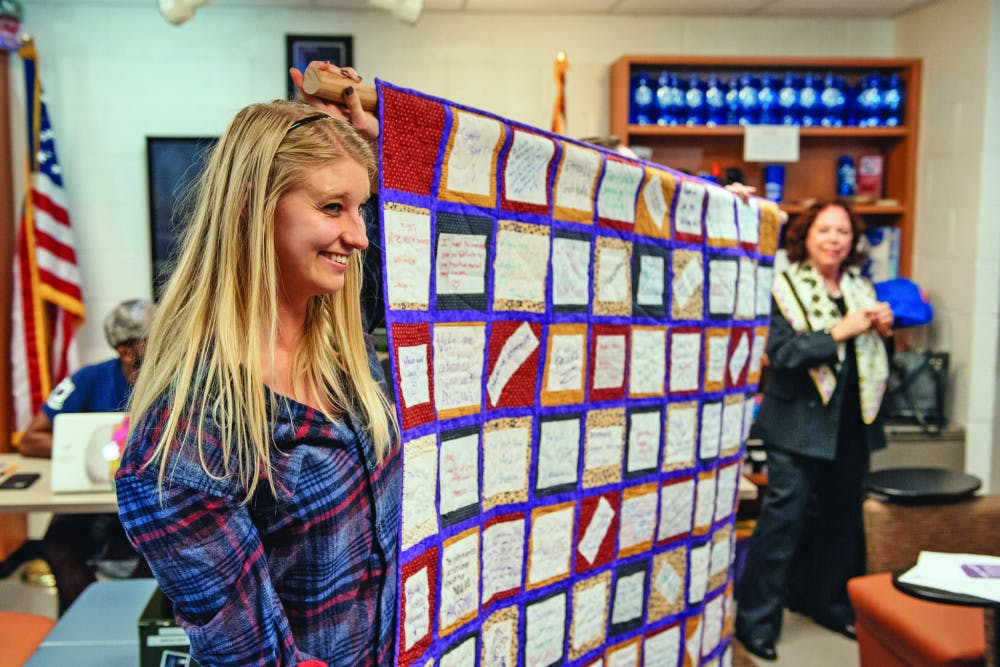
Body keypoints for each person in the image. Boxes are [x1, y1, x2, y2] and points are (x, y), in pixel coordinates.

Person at [115, 65, 400, 666]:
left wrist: (377, 120)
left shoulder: (346, 354)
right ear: (252, 206)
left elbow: (463, 261)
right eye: (331, 207)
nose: (360, 236)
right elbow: (256, 660)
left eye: (361, 208)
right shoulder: (189, 436)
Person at [735, 199, 894, 661]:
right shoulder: (782, 287)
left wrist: (884, 332)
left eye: (842, 232)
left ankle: (825, 603)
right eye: (824, 230)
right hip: (797, 425)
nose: (833, 240)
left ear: (853, 241)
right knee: (783, 521)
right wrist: (840, 332)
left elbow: (879, 361)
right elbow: (783, 354)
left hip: (850, 425)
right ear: (805, 236)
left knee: (842, 521)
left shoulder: (860, 287)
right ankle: (755, 621)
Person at [18, 298, 153, 613]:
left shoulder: (177, 379)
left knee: (164, 545)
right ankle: (84, 620)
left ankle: (132, 621)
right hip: (90, 503)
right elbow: (31, 440)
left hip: (146, 502)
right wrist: (95, 448)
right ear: (125, 349)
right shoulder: (88, 380)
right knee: (57, 546)